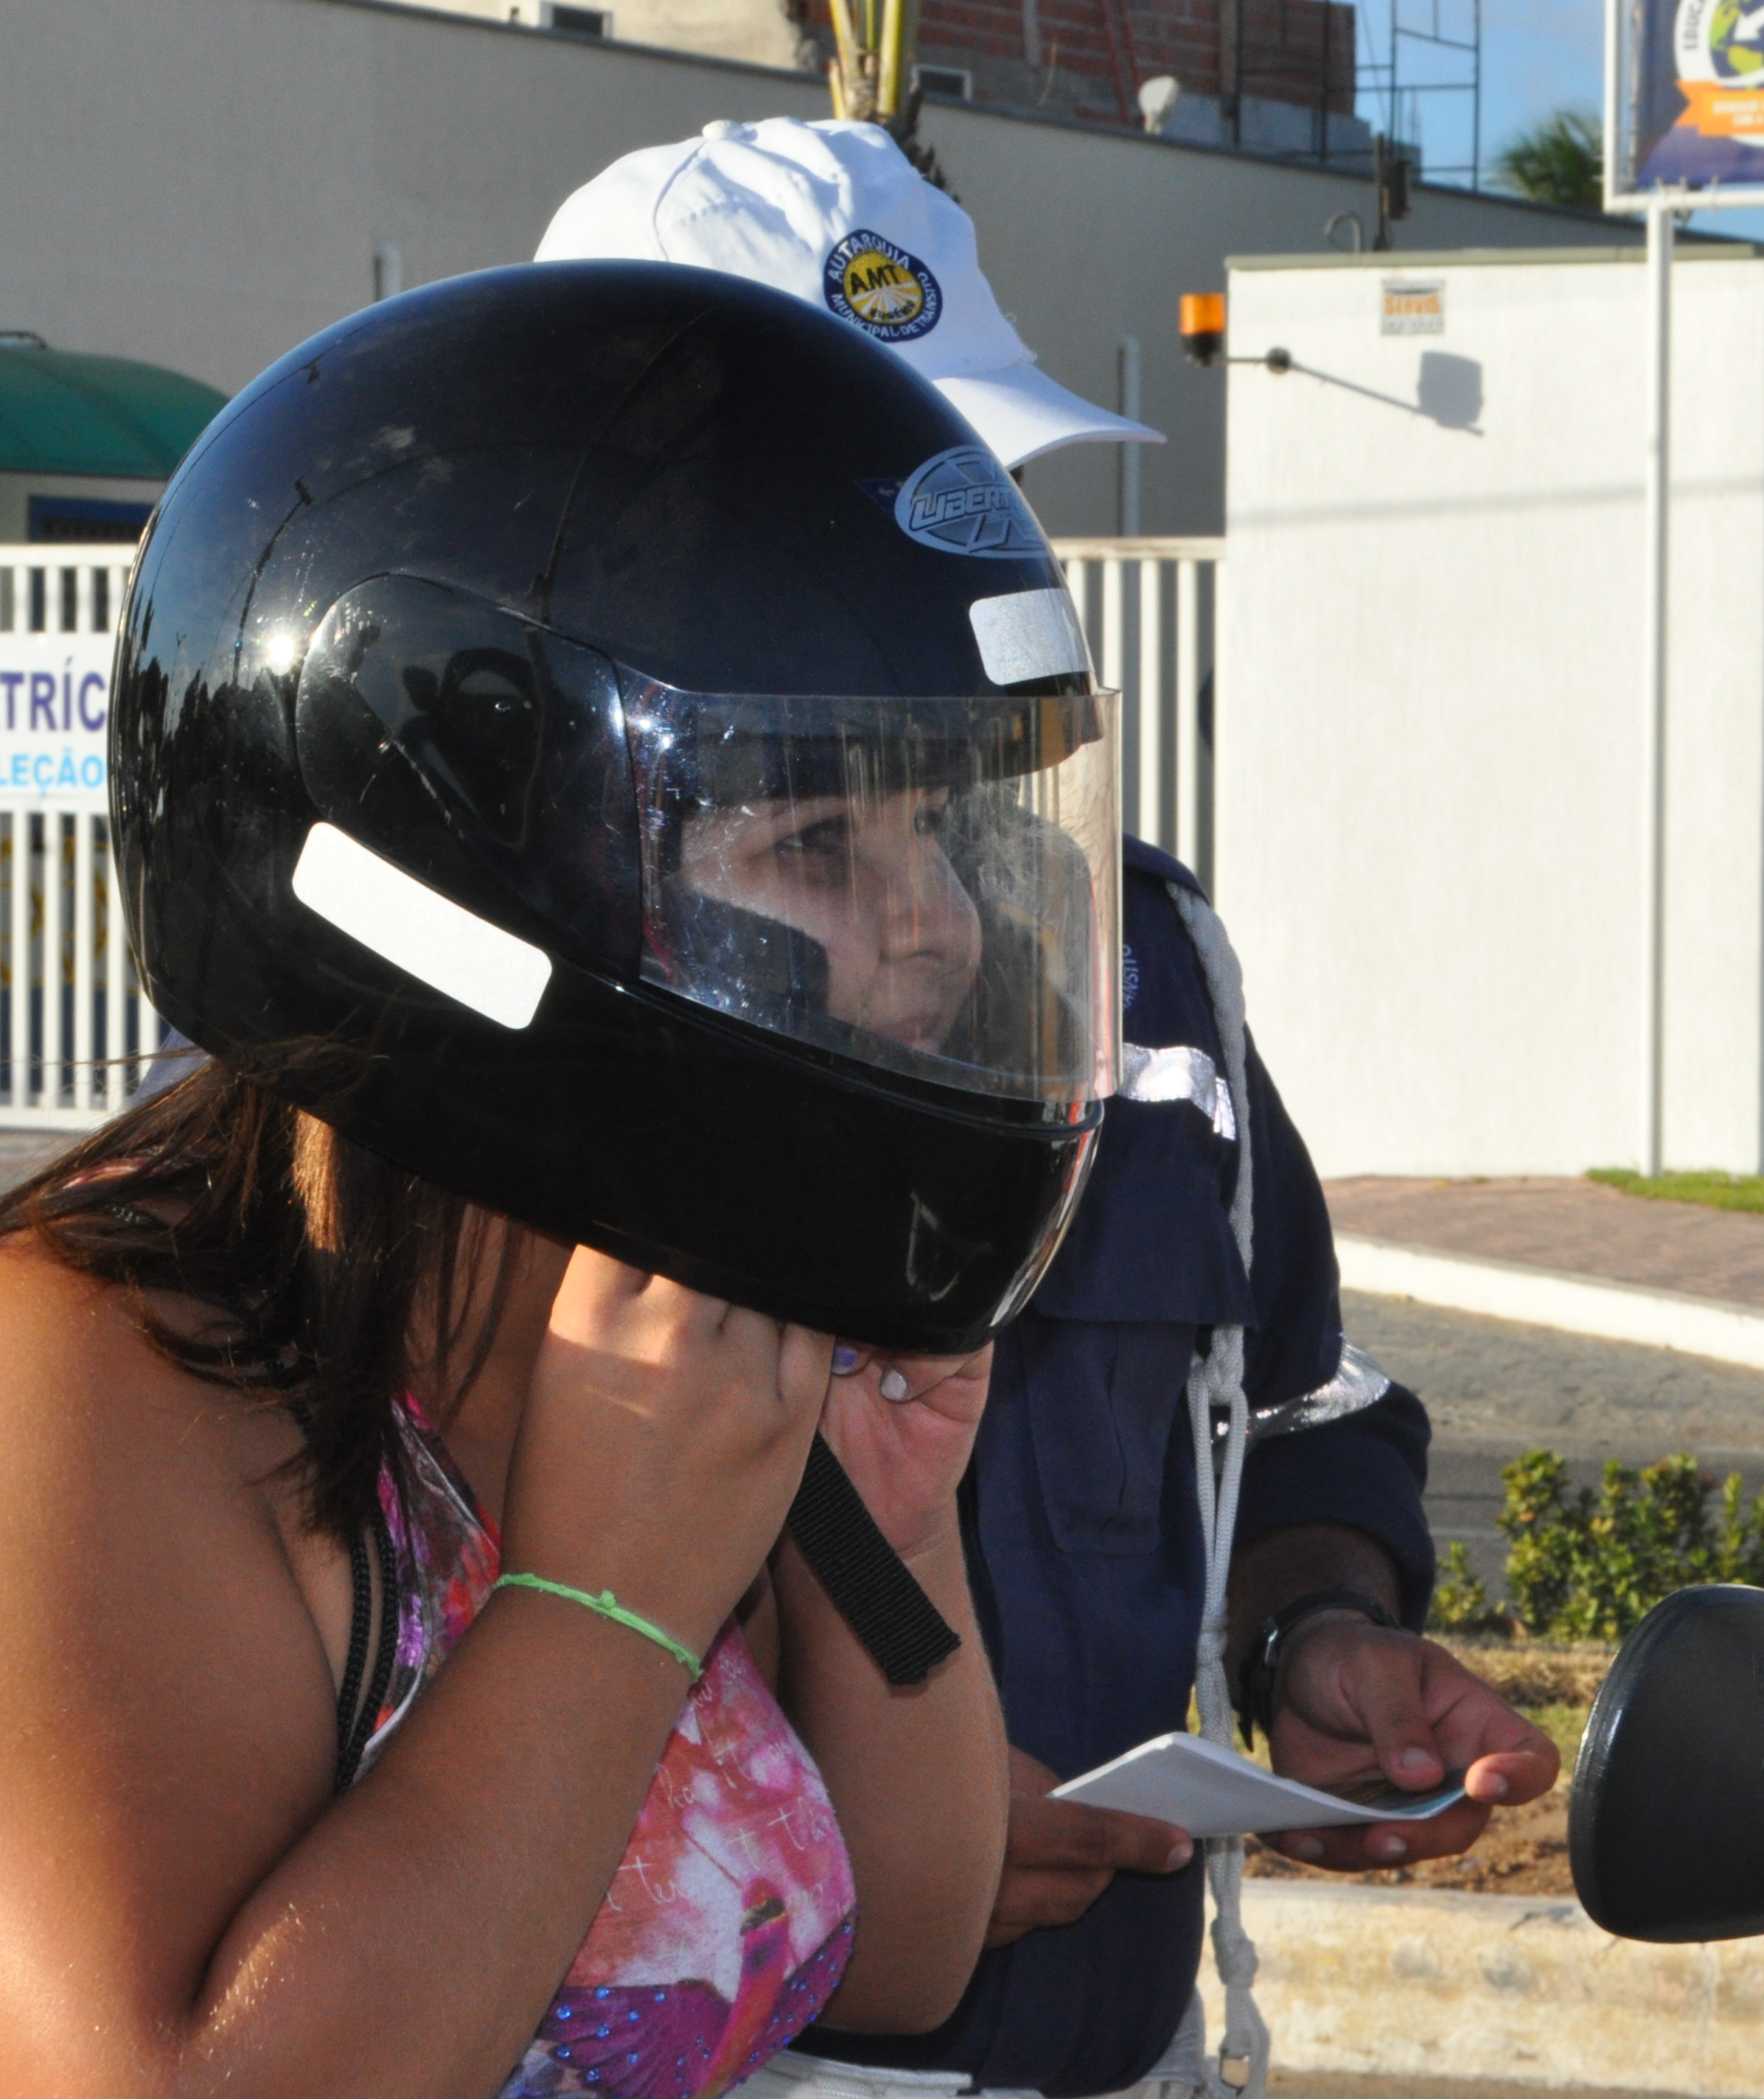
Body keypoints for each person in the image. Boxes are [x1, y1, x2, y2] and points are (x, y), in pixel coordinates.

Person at [0, 256, 1125, 2099]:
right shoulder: (46, 1385)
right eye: (821, 838)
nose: (936, 926)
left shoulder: (664, 1333)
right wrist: (602, 1609)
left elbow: (902, 1953)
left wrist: (894, 1537)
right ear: (458, 875)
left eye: (939, 827)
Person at [537, 119, 1562, 2099]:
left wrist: (1317, 1636)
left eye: (969, 498)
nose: (938, 579)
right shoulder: (475, 1036)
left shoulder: (1139, 966)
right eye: (847, 511)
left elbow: (1293, 1411)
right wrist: (848, 1834)